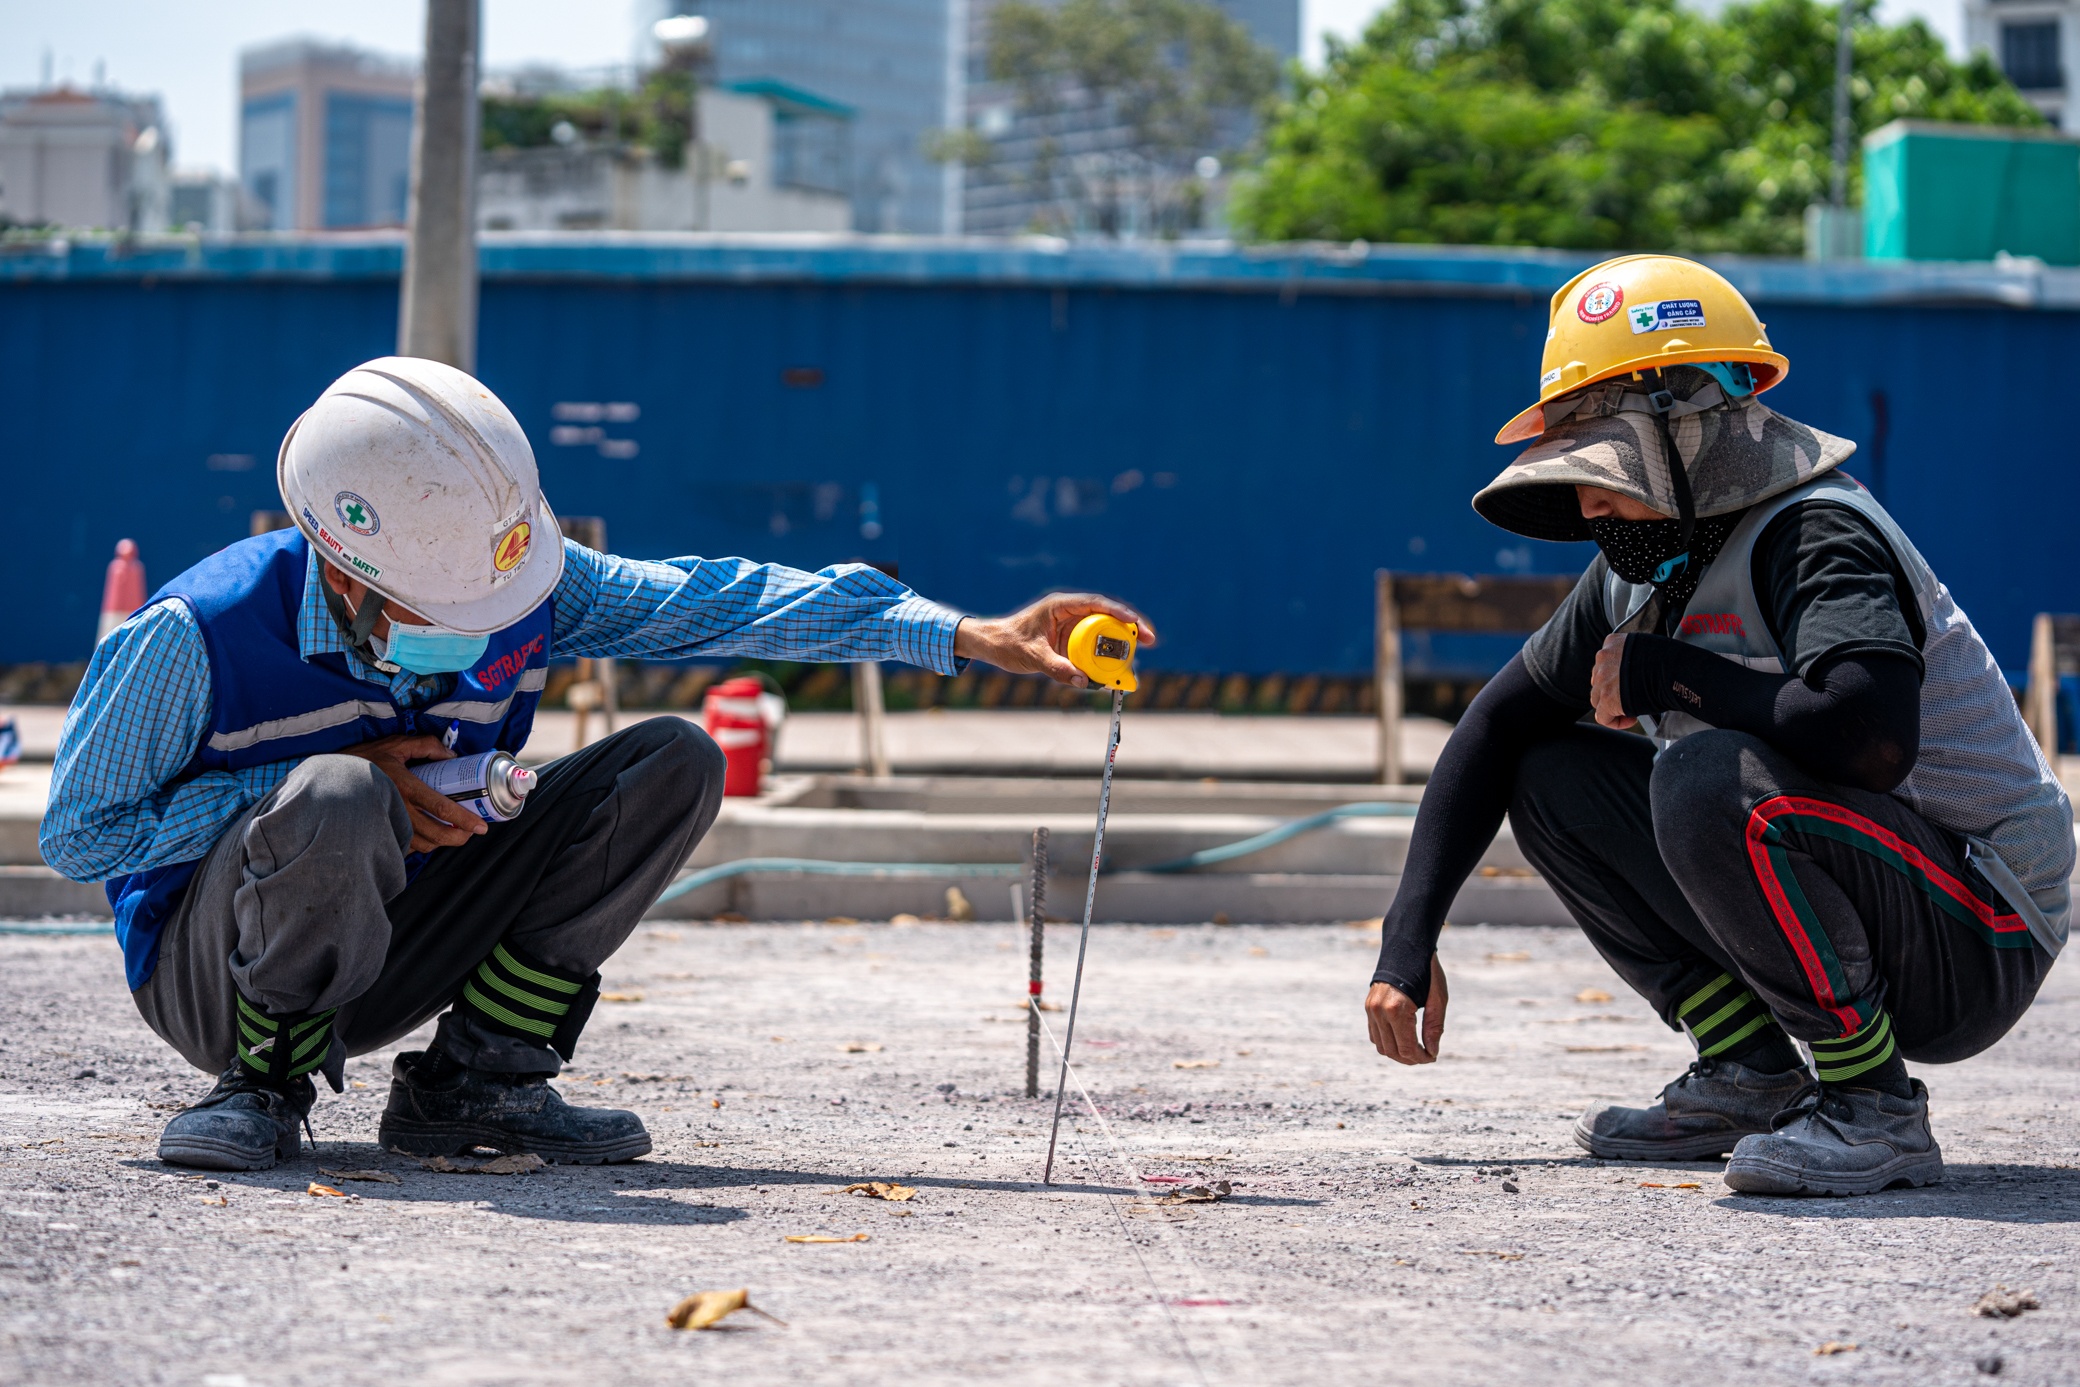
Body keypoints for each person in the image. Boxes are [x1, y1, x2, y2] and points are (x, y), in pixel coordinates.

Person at [43, 356, 1153, 1173]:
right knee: (336, 791)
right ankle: (261, 1085)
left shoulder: (525, 585)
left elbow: (726, 599)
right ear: (346, 574)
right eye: (448, 611)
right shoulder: (194, 636)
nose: (481, 628)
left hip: (404, 937)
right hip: (218, 974)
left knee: (672, 760)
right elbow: (81, 835)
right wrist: (341, 781)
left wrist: (966, 635)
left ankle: (477, 1078)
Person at [1362, 256, 2069, 1196]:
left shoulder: (1817, 533)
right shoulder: (1648, 563)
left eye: (1606, 467)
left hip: (1980, 927)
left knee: (1704, 776)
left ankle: (1872, 1104)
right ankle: (1749, 1070)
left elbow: (1871, 739)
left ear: (1690, 430)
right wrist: (1407, 942)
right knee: (1548, 773)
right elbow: (1493, 728)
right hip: (1886, 886)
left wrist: (1673, 676)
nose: (1589, 505)